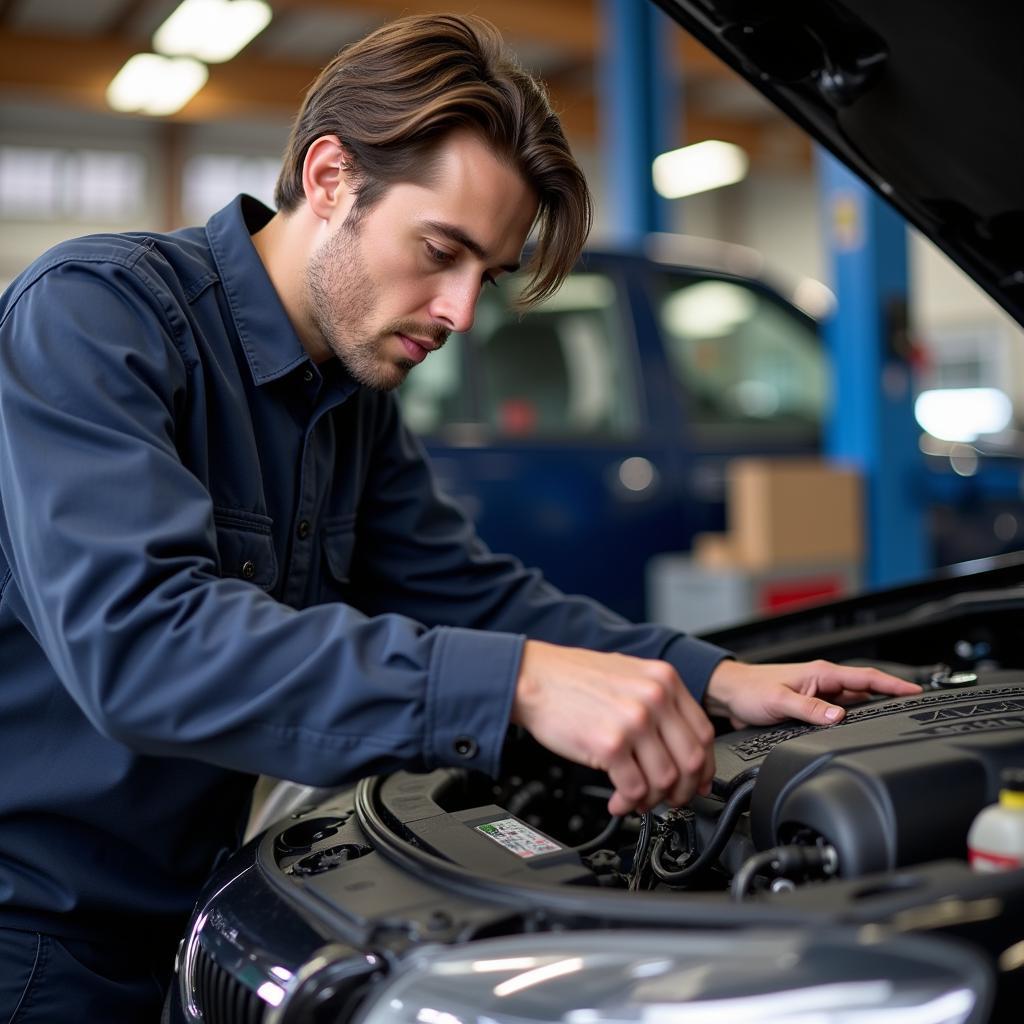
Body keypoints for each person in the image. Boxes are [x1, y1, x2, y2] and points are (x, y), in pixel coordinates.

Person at [0, 12, 920, 1020]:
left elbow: (473, 594)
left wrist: (711, 676)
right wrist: (516, 686)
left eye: (487, 274)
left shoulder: (348, 401)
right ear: (328, 178)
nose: (459, 312)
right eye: (439, 251)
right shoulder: (94, 318)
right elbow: (141, 646)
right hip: (36, 939)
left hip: (192, 913)